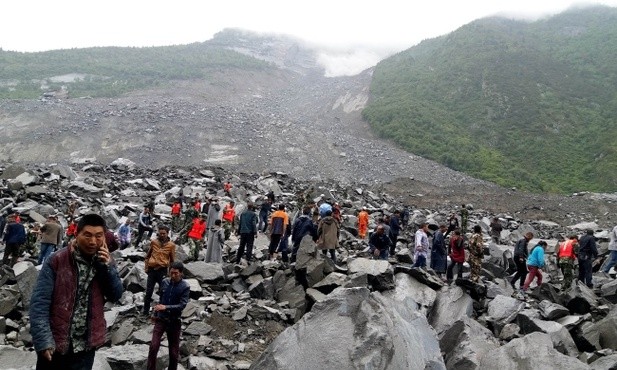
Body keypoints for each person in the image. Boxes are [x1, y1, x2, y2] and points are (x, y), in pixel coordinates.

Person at [30, 214, 123, 370]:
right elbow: (39, 302)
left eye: (99, 236)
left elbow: (115, 295)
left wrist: (107, 268)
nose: (93, 241)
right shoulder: (57, 260)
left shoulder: (105, 261)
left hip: (85, 348)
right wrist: (43, 340)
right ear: (76, 234)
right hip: (55, 344)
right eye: (87, 235)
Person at [147, 262, 189, 370]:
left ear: (181, 273)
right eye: (171, 273)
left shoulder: (185, 286)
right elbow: (160, 300)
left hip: (174, 321)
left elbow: (182, 305)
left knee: (174, 352)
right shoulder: (165, 282)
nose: (173, 276)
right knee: (153, 346)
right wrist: (155, 313)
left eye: (176, 273)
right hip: (161, 319)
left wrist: (166, 307)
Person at [143, 226, 176, 317]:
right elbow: (147, 256)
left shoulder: (171, 245)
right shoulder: (154, 242)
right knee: (149, 291)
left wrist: (170, 273)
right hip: (152, 270)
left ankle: (160, 312)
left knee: (163, 291)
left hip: (162, 270)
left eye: (164, 233)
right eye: (160, 233)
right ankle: (145, 311)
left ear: (167, 233)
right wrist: (146, 268)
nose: (162, 235)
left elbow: (172, 260)